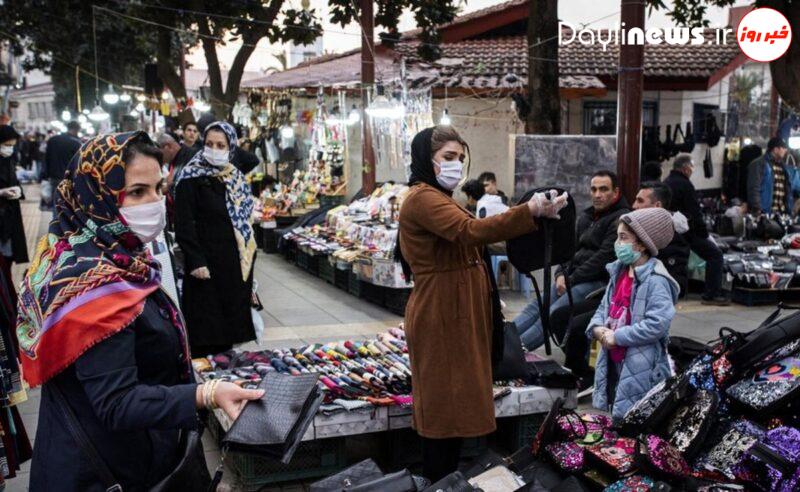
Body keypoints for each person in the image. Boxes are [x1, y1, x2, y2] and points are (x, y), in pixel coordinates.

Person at [18, 132, 263, 491]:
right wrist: (206, 394)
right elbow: (117, 402)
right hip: (104, 471)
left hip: (118, 457)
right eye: (136, 192)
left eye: (159, 188)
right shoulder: (95, 285)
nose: (155, 202)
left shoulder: (104, 257)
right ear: (95, 194)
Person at [396, 126, 566, 481]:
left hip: (456, 310)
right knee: (444, 406)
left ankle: (447, 480)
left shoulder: (440, 197)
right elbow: (469, 232)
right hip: (442, 311)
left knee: (454, 405)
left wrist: (536, 216)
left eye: (460, 157)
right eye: (448, 158)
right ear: (426, 161)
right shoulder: (422, 198)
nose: (456, 165)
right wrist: (527, 210)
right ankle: (438, 482)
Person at [514, 170, 630, 350]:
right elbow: (569, 250)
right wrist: (561, 273)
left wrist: (569, 279)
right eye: (593, 189)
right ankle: (500, 344)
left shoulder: (620, 219)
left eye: (603, 189)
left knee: (553, 313)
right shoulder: (587, 216)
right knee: (536, 306)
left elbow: (603, 259)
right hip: (573, 278)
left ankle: (515, 353)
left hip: (597, 281)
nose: (597, 195)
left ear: (615, 192)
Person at [175, 121, 258, 357]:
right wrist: (195, 261)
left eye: (221, 145)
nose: (214, 149)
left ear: (230, 147)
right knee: (206, 327)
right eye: (209, 143)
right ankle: (205, 380)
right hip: (205, 266)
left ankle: (225, 375)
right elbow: (183, 224)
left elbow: (244, 223)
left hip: (233, 264)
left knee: (228, 330)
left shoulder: (235, 178)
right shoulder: (190, 177)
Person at [587, 207, 678, 421]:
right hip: (614, 358)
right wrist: (597, 328)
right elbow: (604, 307)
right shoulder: (619, 271)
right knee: (617, 407)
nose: (618, 244)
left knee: (635, 417)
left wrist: (617, 336)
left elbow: (657, 324)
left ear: (642, 244)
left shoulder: (656, 280)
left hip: (641, 365)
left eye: (623, 238)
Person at [664, 154, 728, 305]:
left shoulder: (666, 182)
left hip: (670, 231)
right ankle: (711, 295)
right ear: (686, 168)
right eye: (692, 167)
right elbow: (694, 212)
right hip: (688, 232)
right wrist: (704, 234)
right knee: (715, 255)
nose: (692, 171)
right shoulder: (685, 185)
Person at [633, 182, 690, 296]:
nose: (634, 206)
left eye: (640, 201)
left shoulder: (672, 238)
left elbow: (675, 283)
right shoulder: (635, 228)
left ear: (657, 206)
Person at [0, 125, 28, 275]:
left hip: (10, 215)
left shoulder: (8, 160)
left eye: (12, 146)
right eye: (6, 145)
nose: (9, 149)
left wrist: (18, 191)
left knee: (9, 257)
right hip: (2, 216)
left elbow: (13, 181)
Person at [747, 137, 795, 216]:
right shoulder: (759, 164)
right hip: (765, 213)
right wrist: (757, 209)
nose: (785, 150)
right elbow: (754, 188)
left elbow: (787, 190)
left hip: (781, 214)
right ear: (775, 149)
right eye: (783, 148)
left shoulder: (783, 167)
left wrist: (789, 210)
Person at [43, 121, 81, 196]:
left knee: (56, 198)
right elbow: (78, 162)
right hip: (68, 177)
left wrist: (46, 175)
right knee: (68, 200)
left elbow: (46, 158)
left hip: (53, 175)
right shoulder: (76, 143)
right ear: (76, 130)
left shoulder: (53, 140)